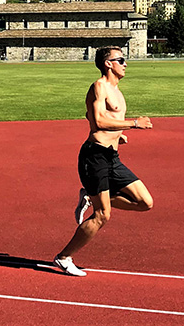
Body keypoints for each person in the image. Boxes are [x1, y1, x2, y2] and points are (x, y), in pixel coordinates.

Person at [53, 46, 153, 277]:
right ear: (108, 64)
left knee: (145, 202)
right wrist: (134, 124)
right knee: (102, 215)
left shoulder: (117, 91)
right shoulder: (99, 86)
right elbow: (97, 121)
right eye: (120, 59)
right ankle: (64, 257)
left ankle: (89, 195)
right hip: (94, 156)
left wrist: (118, 135)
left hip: (112, 157)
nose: (125, 63)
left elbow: (92, 116)